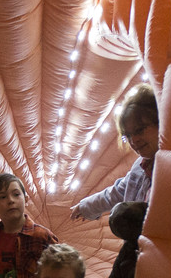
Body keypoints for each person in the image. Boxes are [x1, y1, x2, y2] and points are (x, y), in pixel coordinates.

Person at [68, 83, 160, 222]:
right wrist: (85, 206)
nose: (134, 140)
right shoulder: (139, 167)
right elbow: (117, 192)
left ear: (160, 123)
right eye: (127, 135)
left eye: (140, 130)